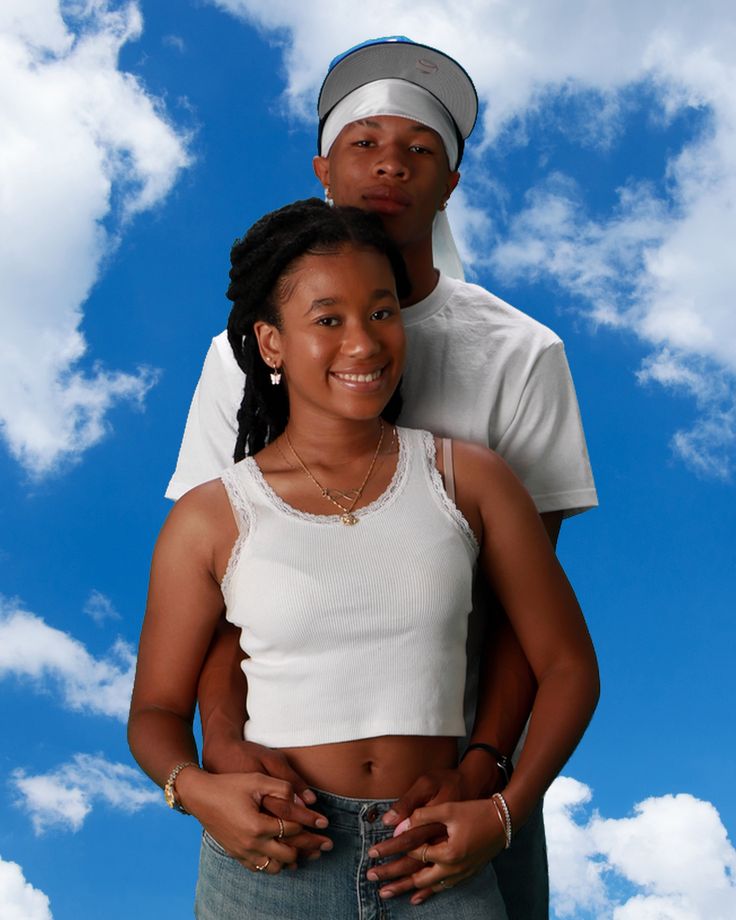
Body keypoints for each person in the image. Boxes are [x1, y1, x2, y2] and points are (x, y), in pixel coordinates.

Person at [165, 37, 598, 917]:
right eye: (365, 143)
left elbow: (529, 611)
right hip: (287, 778)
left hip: (466, 777)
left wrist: (487, 772)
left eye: (419, 149)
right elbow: (218, 586)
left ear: (451, 182)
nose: (389, 166)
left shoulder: (521, 353)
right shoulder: (237, 355)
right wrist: (224, 747)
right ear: (324, 167)